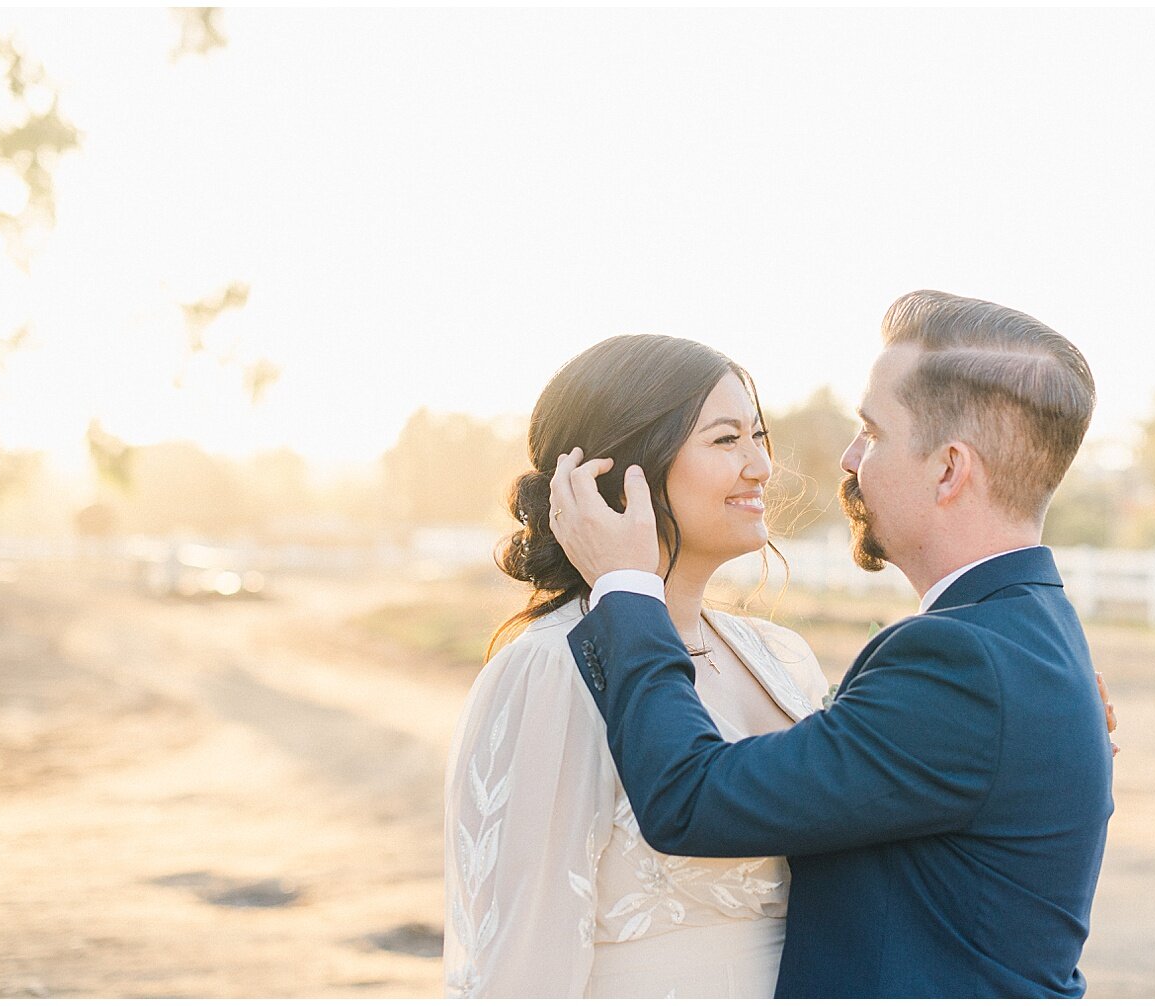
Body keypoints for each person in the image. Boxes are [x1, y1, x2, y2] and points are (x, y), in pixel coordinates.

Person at [548, 290, 1116, 997]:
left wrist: (630, 590)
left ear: (948, 469)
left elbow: (689, 801)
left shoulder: (965, 663)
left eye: (872, 433)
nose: (849, 459)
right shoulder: (1029, 634)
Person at [443, 334, 833, 997]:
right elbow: (522, 964)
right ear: (625, 470)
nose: (762, 466)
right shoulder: (550, 667)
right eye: (725, 440)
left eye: (758, 436)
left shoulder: (783, 659)